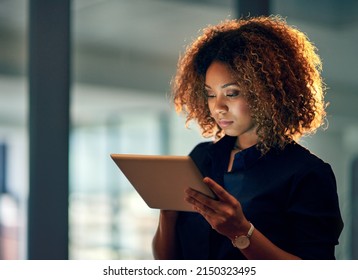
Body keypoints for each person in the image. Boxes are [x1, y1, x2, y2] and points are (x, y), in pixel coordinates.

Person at [152, 15, 343, 260]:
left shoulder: (307, 174)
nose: (218, 107)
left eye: (231, 93)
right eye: (210, 94)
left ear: (267, 92)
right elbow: (166, 264)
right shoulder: (201, 158)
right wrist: (167, 213)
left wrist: (241, 232)